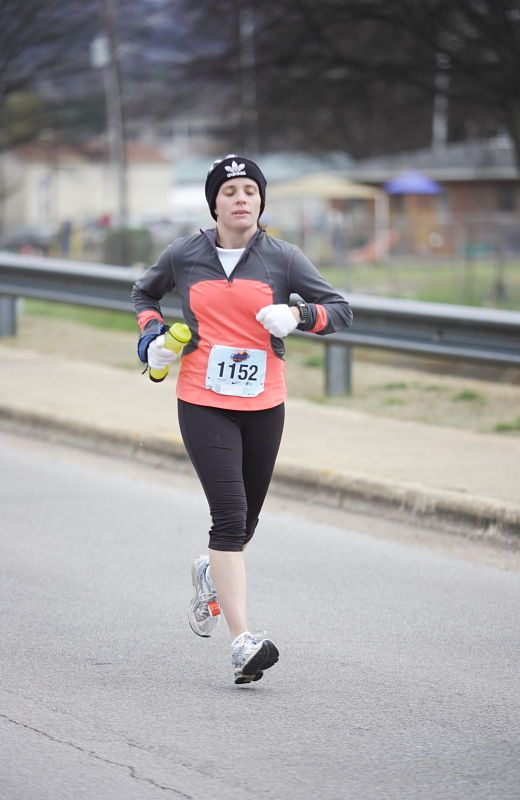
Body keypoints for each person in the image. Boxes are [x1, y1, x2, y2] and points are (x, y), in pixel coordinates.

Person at [131, 154, 352, 685]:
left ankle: (211, 572)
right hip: (203, 398)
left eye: (250, 190)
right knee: (229, 517)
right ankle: (241, 643)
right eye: (230, 191)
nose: (241, 199)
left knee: (246, 522)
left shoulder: (283, 257)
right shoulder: (184, 253)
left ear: (261, 201)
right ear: (214, 201)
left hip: (264, 402)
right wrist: (151, 340)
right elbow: (144, 292)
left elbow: (341, 309)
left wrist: (299, 316)